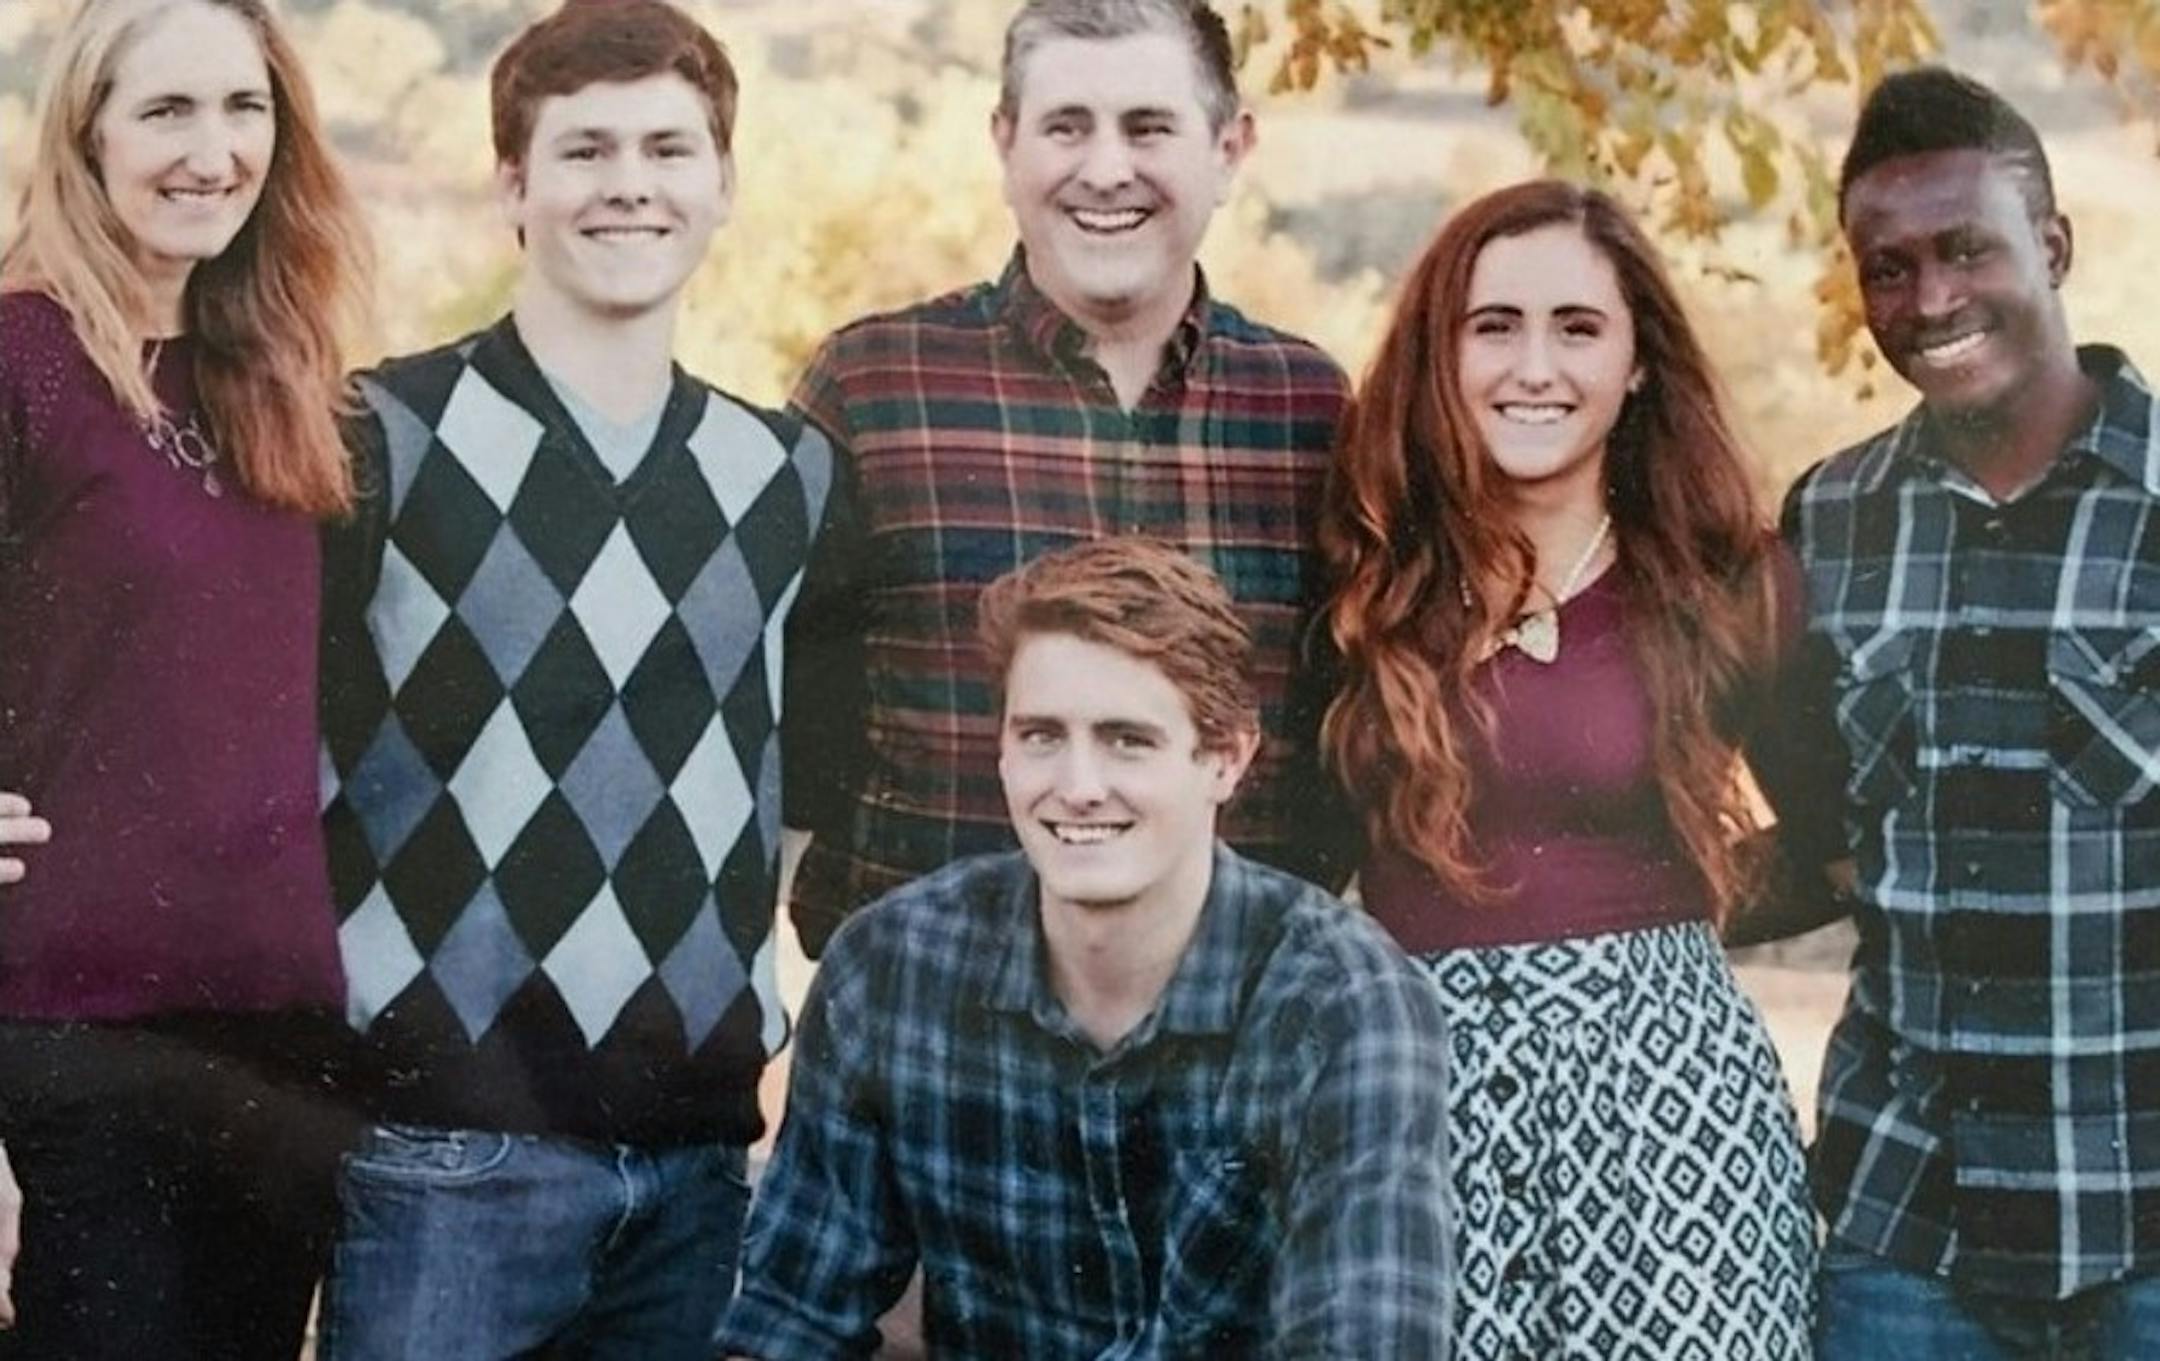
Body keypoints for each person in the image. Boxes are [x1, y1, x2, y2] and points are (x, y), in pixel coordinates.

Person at [311, 2, 835, 1355]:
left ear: (723, 183)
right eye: (586, 148)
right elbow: (275, 760)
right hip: (446, 1155)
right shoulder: (383, 439)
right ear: (512, 185)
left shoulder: (791, 478)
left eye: (669, 147)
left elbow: (787, 799)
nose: (630, 183)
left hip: (697, 1164)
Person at [720, 537, 1451, 1359]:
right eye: (1040, 735)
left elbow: (1366, 1343)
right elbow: (790, 1319)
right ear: (1000, 747)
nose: (1076, 785)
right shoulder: (892, 965)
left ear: (1226, 757)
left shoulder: (1341, 998)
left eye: (1127, 739)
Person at [1321, 179, 1817, 1358]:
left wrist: (1641, 937)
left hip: (1667, 1106)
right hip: (1414, 1092)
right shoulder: (1367, 568)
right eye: (1494, 325)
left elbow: (1833, 835)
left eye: (1578, 328)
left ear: (1640, 361)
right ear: (1441, 353)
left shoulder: (1727, 580)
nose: (1532, 365)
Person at [782, 0, 1352, 956]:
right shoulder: (874, 388)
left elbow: (1345, 743)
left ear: (1229, 148)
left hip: (1231, 1032)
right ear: (1005, 145)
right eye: (1065, 126)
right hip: (925, 1020)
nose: (1105, 169)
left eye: (1148, 127)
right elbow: (787, 734)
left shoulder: (1308, 409)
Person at [1751, 67, 2160, 1357]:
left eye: (1967, 249)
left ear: (2053, 245)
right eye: (1888, 267)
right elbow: (1819, 835)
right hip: (1905, 1233)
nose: (1929, 301)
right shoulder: (1828, 519)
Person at [0, 0, 373, 1353]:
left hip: (280, 1019)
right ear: (86, 133)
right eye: (167, 110)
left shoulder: (283, 375)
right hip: (79, 1019)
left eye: (244, 108)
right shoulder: (21, 359)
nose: (213, 151)